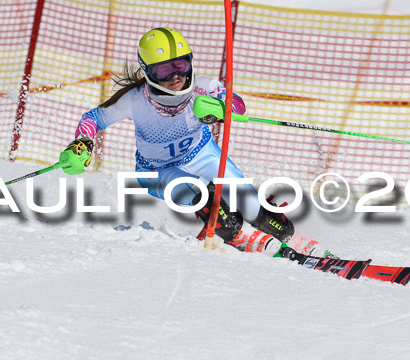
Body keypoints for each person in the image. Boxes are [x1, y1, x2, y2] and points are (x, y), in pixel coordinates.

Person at [59, 27, 293, 248]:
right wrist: (83, 142)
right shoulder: (134, 101)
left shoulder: (204, 87)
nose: (175, 75)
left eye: (180, 64)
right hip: (156, 171)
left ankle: (279, 233)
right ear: (148, 71)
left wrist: (223, 108)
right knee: (205, 199)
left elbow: (238, 106)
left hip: (202, 154)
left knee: (251, 206)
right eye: (163, 70)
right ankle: (232, 234)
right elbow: (94, 118)